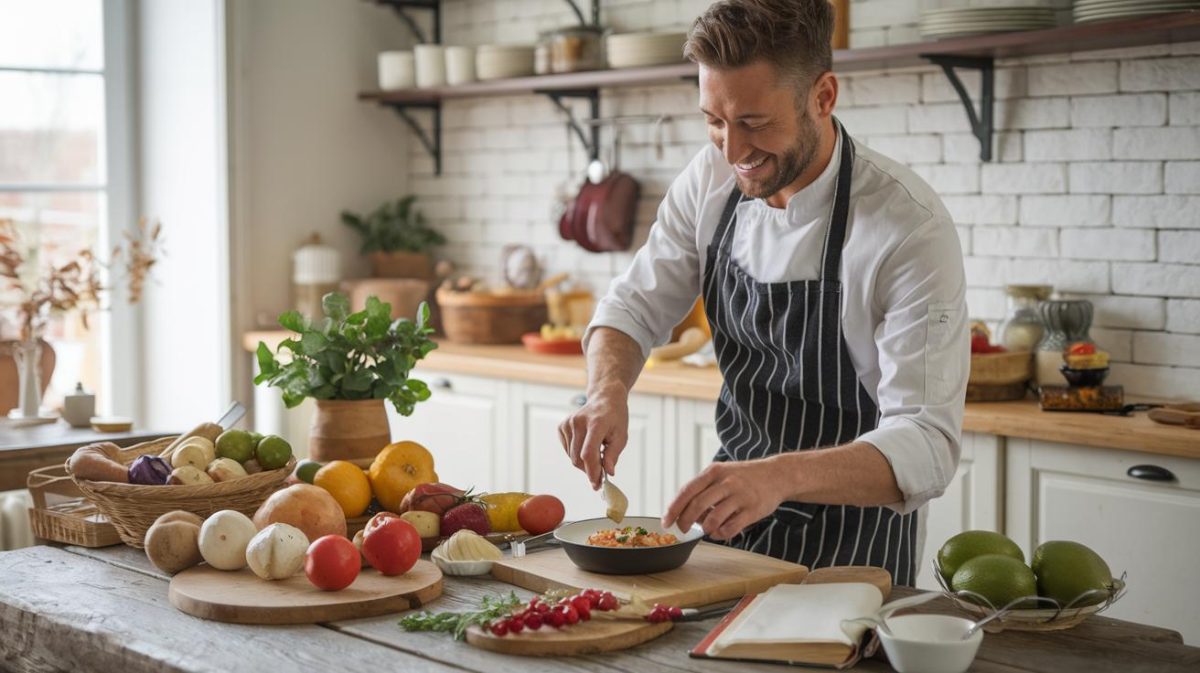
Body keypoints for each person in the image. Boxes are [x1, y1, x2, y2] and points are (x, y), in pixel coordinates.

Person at [557, 0, 969, 586]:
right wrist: (604, 392)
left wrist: (776, 477)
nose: (731, 151)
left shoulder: (907, 226)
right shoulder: (711, 180)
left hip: (857, 554)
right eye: (714, 121)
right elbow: (631, 308)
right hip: (732, 531)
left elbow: (928, 444)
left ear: (823, 97)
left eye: (753, 123)